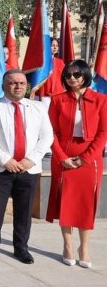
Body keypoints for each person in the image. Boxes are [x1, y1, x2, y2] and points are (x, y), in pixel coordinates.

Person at [0, 69, 53, 264]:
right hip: (0, 169)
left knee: (24, 211)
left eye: (21, 83)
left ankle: (21, 247)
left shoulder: (38, 107)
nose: (18, 86)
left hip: (27, 169)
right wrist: (5, 160)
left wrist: (30, 160)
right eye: (13, 83)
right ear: (4, 86)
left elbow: (47, 136)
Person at [46, 59, 107, 268]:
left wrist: (86, 158)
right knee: (66, 202)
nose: (72, 78)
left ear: (85, 75)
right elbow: (50, 132)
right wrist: (62, 157)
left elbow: (103, 132)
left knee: (86, 204)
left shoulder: (100, 100)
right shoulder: (57, 100)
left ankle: (85, 248)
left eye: (76, 75)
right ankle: (68, 245)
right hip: (64, 155)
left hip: (89, 158)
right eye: (68, 75)